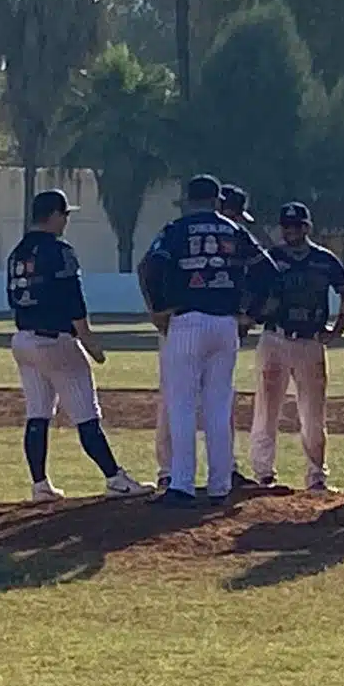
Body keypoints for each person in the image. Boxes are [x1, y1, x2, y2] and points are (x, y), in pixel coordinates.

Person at [6, 189, 153, 504]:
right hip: (55, 340)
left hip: (23, 338)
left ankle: (40, 484)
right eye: (65, 215)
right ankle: (115, 478)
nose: (66, 221)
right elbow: (72, 297)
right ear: (55, 215)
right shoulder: (59, 250)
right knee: (87, 413)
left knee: (38, 414)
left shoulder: (17, 252)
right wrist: (88, 339)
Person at [139, 174, 275, 507]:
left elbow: (151, 267)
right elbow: (268, 271)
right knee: (218, 404)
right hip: (225, 324)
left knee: (182, 403)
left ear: (188, 200)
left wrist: (158, 308)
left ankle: (182, 484)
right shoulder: (233, 229)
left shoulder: (176, 230)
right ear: (217, 201)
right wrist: (251, 313)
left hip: (188, 321)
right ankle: (220, 484)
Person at [248, 202, 344, 492]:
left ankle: (316, 474)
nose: (291, 231)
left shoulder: (324, 260)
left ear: (307, 228)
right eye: (286, 226)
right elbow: (251, 293)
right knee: (266, 408)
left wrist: (338, 329)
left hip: (309, 340)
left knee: (313, 412)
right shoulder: (271, 258)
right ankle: (264, 473)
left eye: (296, 226)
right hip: (275, 337)